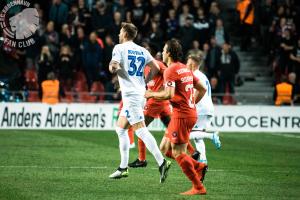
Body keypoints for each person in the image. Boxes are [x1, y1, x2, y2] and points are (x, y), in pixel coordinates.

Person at [108, 23, 171, 183]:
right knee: (120, 129)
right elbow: (156, 68)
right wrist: (144, 80)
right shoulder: (143, 50)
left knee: (140, 130)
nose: (118, 34)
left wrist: (114, 68)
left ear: (124, 34)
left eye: (120, 32)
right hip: (140, 94)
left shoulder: (119, 48)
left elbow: (114, 67)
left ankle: (162, 162)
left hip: (131, 96)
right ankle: (123, 168)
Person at [145, 39, 207, 195]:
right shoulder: (185, 69)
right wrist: (191, 103)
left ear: (169, 53)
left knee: (178, 153)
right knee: (165, 149)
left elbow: (169, 94)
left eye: (165, 50)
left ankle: (198, 187)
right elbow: (202, 88)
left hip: (182, 115)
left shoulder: (170, 70)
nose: (163, 53)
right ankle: (198, 166)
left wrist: (151, 93)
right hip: (186, 113)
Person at [128, 43, 172, 168]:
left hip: (156, 100)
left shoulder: (157, 64)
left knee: (140, 128)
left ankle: (142, 160)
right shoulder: (144, 67)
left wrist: (165, 88)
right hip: (160, 101)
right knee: (173, 127)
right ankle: (192, 153)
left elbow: (169, 73)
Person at [186, 55, 221, 164]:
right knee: (197, 134)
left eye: (187, 63)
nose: (186, 64)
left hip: (200, 109)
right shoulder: (203, 75)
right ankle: (203, 159)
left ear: (192, 65)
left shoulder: (194, 75)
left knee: (186, 135)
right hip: (207, 108)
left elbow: (198, 92)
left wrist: (191, 105)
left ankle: (212, 135)